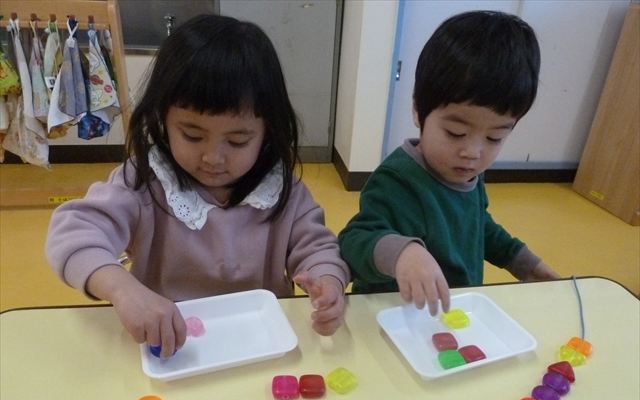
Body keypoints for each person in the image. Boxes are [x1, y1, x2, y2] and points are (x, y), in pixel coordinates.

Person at [45, 14, 349, 357]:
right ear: (162, 118)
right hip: (170, 346)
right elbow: (71, 234)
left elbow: (317, 248)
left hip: (260, 347)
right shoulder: (144, 183)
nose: (213, 158)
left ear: (267, 132)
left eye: (237, 141)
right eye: (192, 135)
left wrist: (327, 283)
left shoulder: (282, 191)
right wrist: (121, 289)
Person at [338, 10, 558, 316]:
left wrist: (522, 262)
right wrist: (403, 253)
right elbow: (354, 241)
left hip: (451, 313)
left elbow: (477, 225)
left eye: (494, 137)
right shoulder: (397, 181)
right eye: (456, 133)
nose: (472, 152)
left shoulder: (467, 173)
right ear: (418, 111)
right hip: (396, 316)